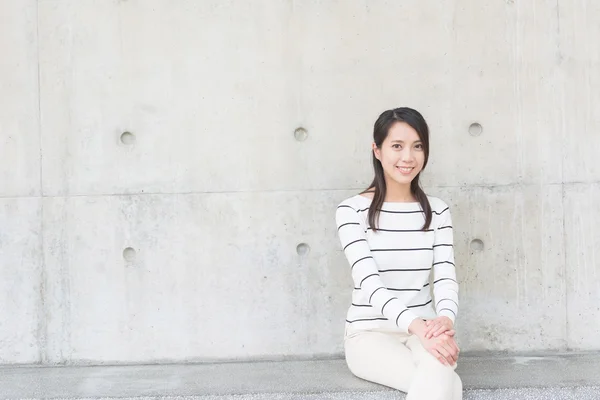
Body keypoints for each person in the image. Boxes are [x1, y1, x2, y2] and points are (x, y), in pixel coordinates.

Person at [335, 107, 462, 400]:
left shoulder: (438, 210)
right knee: (449, 386)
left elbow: (445, 276)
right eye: (397, 146)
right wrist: (418, 327)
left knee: (442, 378)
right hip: (369, 334)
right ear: (376, 150)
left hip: (427, 330)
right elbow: (370, 284)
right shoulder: (351, 211)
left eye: (418, 146)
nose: (408, 157)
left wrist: (445, 319)